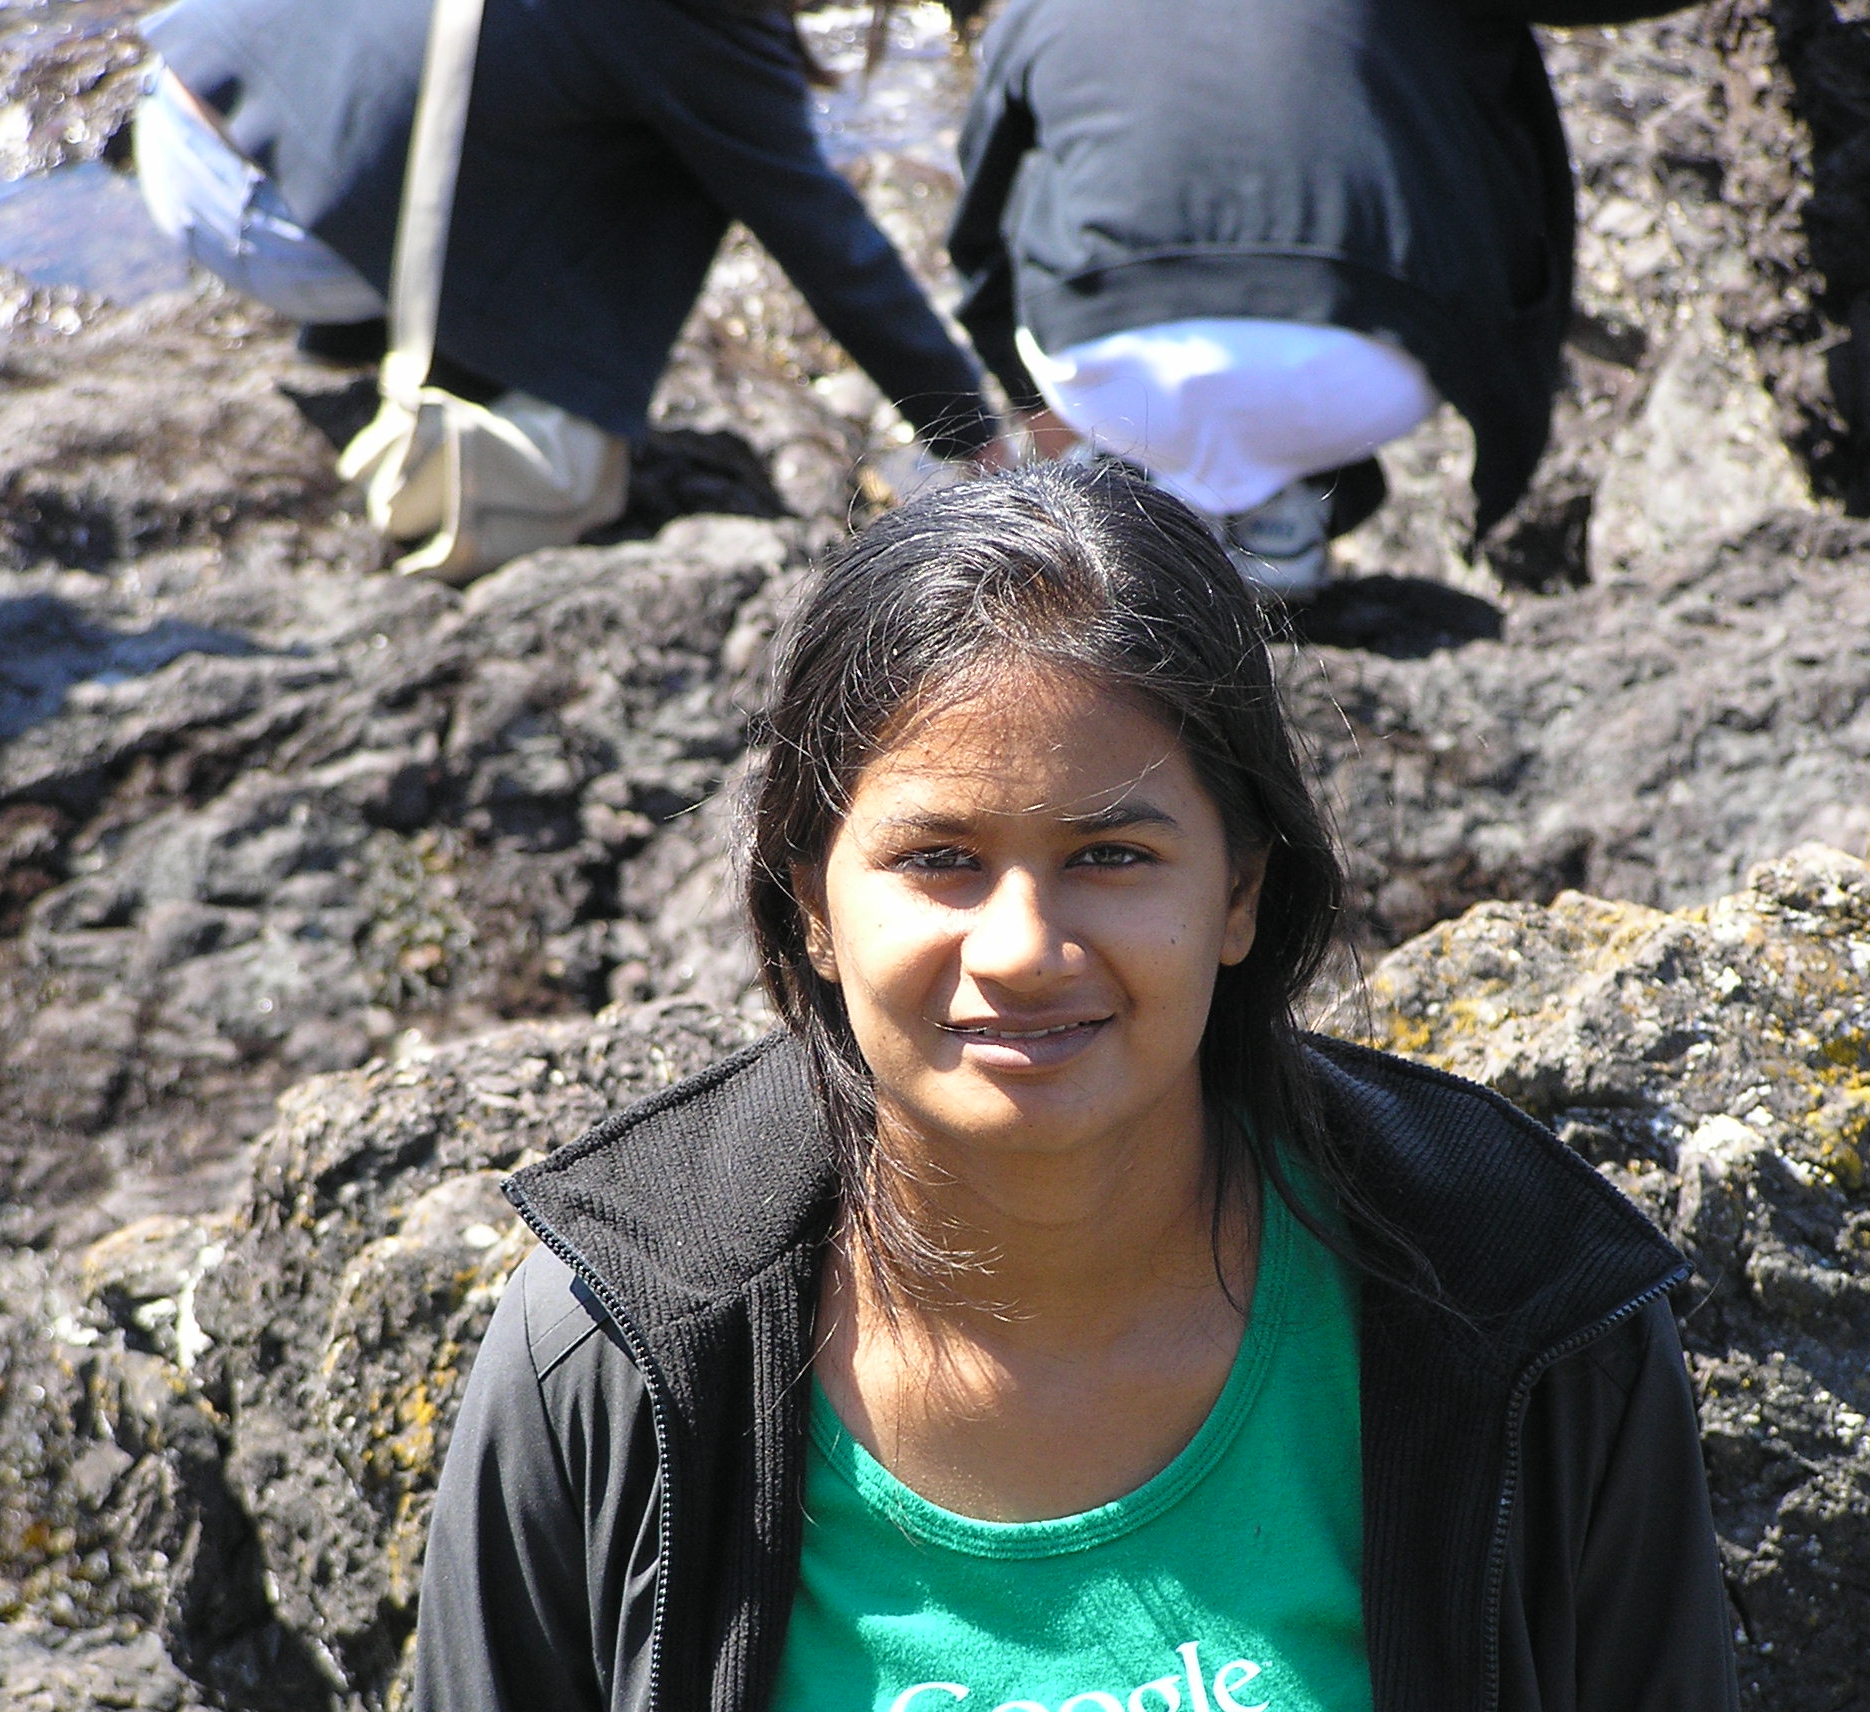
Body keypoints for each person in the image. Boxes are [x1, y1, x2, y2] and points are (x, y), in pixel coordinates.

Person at [413, 463, 1739, 1712]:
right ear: (811, 901)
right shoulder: (612, 1347)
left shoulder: (1524, 1310)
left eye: (1110, 854)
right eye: (939, 858)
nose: (1023, 949)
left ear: (1240, 890)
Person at [129, 0, 1004, 576]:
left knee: (578, 91)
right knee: (684, 167)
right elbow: (826, 242)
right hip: (259, 216)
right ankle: (449, 354)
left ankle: (384, 318)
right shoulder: (696, 22)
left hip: (186, 91)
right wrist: (980, 441)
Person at [947, 0, 1585, 596]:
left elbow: (976, 240)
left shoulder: (1036, 10)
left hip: (1107, 372)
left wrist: (1037, 406)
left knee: (1039, 169)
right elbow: (1532, 171)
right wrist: (1510, 430)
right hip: (1375, 373)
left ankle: (1161, 497)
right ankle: (1275, 508)